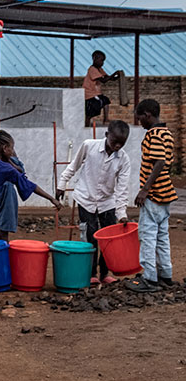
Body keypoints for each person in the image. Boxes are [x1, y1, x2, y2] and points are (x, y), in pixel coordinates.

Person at [56, 120, 131, 285]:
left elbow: (122, 189)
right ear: (106, 135)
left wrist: (122, 214)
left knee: (108, 239)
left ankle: (105, 273)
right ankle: (91, 273)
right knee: (90, 236)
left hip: (107, 202)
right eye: (114, 142)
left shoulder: (124, 160)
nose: (117, 146)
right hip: (86, 198)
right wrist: (62, 184)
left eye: (121, 144)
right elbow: (73, 166)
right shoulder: (89, 146)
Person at [125, 100, 178, 293]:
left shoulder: (153, 135)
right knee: (162, 236)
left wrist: (145, 189)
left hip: (154, 194)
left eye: (139, 117)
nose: (138, 121)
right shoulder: (167, 133)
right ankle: (165, 275)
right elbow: (166, 162)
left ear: (147, 115)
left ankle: (149, 279)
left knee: (147, 236)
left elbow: (160, 162)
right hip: (165, 194)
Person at [0, 131, 62, 232]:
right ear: (5, 148)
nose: (12, 152)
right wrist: (51, 199)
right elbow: (28, 184)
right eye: (12, 148)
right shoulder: (5, 168)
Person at [84, 50, 122, 126]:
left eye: (103, 61)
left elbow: (107, 77)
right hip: (89, 94)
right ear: (94, 59)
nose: (102, 63)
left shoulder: (99, 69)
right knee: (92, 109)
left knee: (106, 101)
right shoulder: (92, 69)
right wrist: (114, 73)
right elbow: (103, 80)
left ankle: (106, 119)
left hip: (96, 94)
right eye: (101, 60)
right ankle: (86, 124)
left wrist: (117, 77)